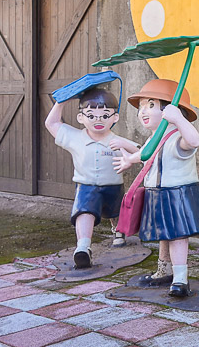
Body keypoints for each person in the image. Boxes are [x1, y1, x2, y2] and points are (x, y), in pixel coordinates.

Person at [113, 80, 199, 298]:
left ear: (170, 109)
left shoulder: (177, 137)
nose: (142, 113)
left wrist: (178, 120)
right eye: (141, 107)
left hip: (176, 194)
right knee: (164, 235)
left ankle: (180, 279)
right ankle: (164, 270)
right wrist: (129, 159)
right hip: (157, 194)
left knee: (177, 237)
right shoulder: (154, 138)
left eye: (150, 105)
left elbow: (194, 141)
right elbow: (144, 154)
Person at [45, 86, 138, 268]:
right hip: (86, 186)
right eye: (91, 115)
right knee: (84, 212)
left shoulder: (116, 140)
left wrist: (125, 146)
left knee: (116, 211)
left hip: (113, 185)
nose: (98, 120)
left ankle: (119, 232)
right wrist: (60, 102)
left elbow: (145, 153)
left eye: (105, 115)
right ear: (81, 117)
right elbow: (52, 124)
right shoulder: (74, 137)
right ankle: (83, 248)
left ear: (114, 118)